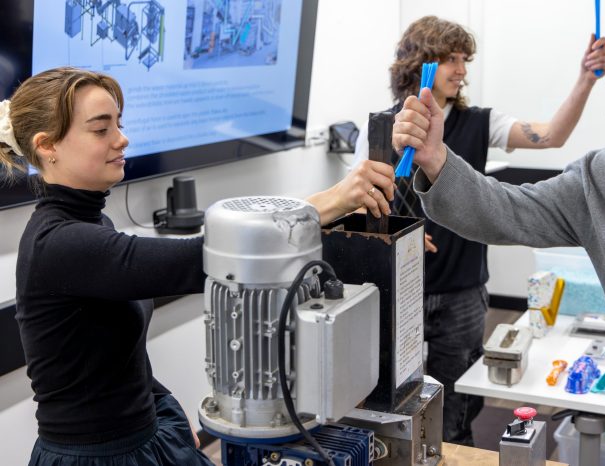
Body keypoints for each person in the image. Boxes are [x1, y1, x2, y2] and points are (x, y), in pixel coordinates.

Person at [0, 66, 395, 466]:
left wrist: (162, 407)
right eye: (101, 129)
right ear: (48, 146)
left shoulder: (90, 224)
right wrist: (330, 201)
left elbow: (114, 354)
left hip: (144, 436)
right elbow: (200, 260)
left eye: (119, 124)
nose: (122, 139)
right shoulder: (60, 244)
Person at [392, 7, 605, 466]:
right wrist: (435, 157)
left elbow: (550, 134)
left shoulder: (483, 119)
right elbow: (505, 211)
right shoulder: (604, 179)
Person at [353, 15, 605, 446]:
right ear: (421, 63)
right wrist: (403, 233)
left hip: (462, 289)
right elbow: (361, 200)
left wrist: (586, 79)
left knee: (459, 401)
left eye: (465, 60)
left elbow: (551, 136)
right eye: (451, 59)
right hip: (398, 290)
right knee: (393, 396)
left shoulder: (478, 121)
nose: (462, 70)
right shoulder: (380, 125)